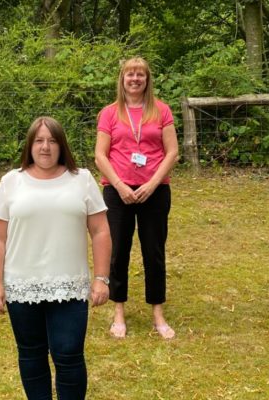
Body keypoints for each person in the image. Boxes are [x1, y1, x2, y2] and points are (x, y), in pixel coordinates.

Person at [0, 116, 111, 400]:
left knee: (68, 355)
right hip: (21, 286)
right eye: (39, 141)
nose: (45, 147)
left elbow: (101, 231)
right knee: (31, 356)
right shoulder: (10, 182)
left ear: (62, 145)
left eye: (52, 140)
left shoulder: (82, 180)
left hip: (69, 285)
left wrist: (101, 279)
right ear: (30, 145)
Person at [94, 57, 179, 339]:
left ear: (147, 79)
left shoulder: (162, 111)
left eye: (140, 74)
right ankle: (119, 311)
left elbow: (172, 153)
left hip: (153, 191)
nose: (134, 79)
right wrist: (119, 185)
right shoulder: (109, 113)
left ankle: (157, 312)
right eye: (130, 74)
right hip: (118, 192)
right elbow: (100, 155)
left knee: (153, 251)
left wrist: (152, 184)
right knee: (118, 250)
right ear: (122, 79)